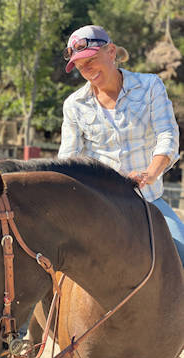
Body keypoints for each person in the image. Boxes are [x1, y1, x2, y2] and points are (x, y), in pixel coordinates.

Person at [58, 24, 184, 267]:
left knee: (182, 254)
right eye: (81, 67)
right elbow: (67, 163)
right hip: (98, 205)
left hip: (148, 201)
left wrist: (150, 174)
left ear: (112, 52)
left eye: (92, 60)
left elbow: (167, 135)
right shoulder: (74, 105)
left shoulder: (150, 86)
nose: (88, 70)